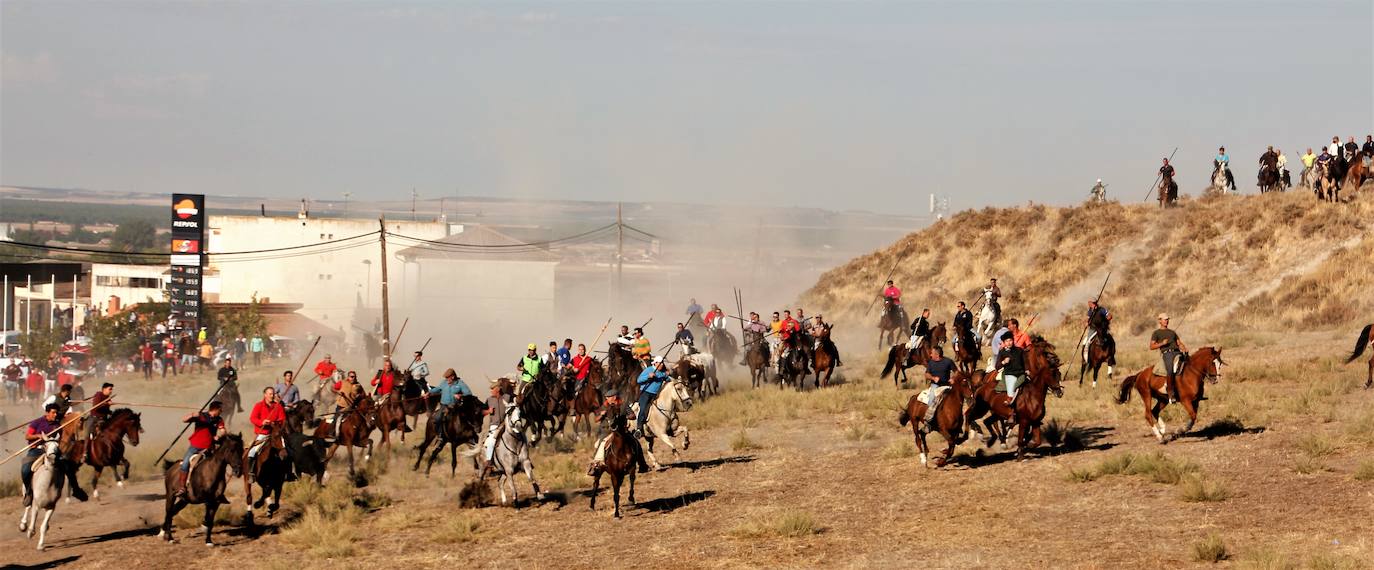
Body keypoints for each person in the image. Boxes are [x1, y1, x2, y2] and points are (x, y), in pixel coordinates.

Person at [173, 401, 226, 499]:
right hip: (195, 447)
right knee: (185, 464)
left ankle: (219, 491)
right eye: (220, 409)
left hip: (210, 448)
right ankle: (182, 488)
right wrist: (192, 414)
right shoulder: (201, 416)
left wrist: (219, 436)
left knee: (219, 465)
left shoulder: (219, 419)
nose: (222, 411)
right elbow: (184, 420)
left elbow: (223, 430)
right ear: (216, 409)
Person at [21, 404, 64, 497]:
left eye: (56, 413)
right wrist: (38, 436)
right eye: (53, 412)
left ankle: (59, 489)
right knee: (25, 470)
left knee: (65, 466)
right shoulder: (37, 422)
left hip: (52, 450)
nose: (55, 415)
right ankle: (28, 492)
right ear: (47, 413)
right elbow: (27, 436)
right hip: (37, 449)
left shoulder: (57, 425)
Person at [1149, 313, 1188, 403]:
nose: (1166, 321)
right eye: (1164, 319)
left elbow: (1179, 343)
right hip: (1167, 354)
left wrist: (1183, 347)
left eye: (1167, 319)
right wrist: (1162, 343)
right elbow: (1151, 346)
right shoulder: (1156, 333)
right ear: (1160, 321)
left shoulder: (1172, 332)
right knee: (1170, 370)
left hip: (1177, 352)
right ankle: (1170, 393)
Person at [246, 386, 285, 472]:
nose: (272, 395)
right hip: (262, 434)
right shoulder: (258, 405)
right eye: (270, 394)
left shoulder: (278, 406)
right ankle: (251, 472)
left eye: (273, 394)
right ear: (265, 395)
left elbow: (282, 419)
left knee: (286, 450)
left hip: (275, 435)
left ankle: (289, 473)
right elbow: (253, 418)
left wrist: (274, 423)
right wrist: (262, 422)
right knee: (252, 452)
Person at [481, 378, 515, 476]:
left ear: (498, 390)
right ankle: (489, 462)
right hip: (494, 426)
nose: (491, 391)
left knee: (519, 436)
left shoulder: (507, 397)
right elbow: (481, 412)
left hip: (506, 424)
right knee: (491, 442)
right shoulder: (489, 400)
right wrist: (488, 412)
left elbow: (517, 401)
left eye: (492, 389)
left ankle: (523, 459)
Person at [633, 356, 670, 438]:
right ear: (655, 363)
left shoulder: (662, 372)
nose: (662, 365)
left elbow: (668, 379)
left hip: (656, 395)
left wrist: (669, 376)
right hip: (646, 393)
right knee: (643, 409)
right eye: (660, 363)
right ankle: (639, 429)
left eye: (662, 363)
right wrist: (648, 377)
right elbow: (639, 380)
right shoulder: (649, 370)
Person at [921, 346, 957, 426]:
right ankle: (928, 422)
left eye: (932, 353)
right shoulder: (931, 363)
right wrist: (933, 378)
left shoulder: (948, 361)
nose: (930, 355)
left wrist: (953, 378)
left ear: (937, 355)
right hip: (935, 386)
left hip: (947, 385)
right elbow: (926, 374)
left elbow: (956, 372)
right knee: (931, 399)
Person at [330, 370, 364, 438]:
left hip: (352, 407)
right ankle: (332, 432)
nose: (353, 378)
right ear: (348, 377)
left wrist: (359, 396)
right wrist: (338, 392)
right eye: (351, 377)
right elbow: (332, 388)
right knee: (337, 418)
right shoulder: (342, 382)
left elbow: (363, 395)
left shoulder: (358, 385)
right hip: (341, 405)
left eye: (354, 377)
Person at [996, 335, 1027, 408]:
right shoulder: (1002, 352)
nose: (1009, 343)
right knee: (1011, 387)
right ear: (1004, 343)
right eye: (1007, 341)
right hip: (1010, 374)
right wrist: (1003, 362)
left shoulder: (1019, 350)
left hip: (1021, 373)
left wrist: (1027, 369)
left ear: (1013, 341)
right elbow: (997, 366)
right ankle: (1010, 402)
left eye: (1010, 340)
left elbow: (1025, 361)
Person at [1083, 299, 1116, 366]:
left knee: (1110, 340)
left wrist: (1105, 320)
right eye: (1088, 303)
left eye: (1089, 303)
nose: (1088, 304)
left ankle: (1111, 356)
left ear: (1093, 303)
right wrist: (1086, 323)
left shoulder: (1102, 310)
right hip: (1093, 329)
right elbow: (1087, 319)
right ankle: (1086, 358)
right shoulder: (1090, 311)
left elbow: (1109, 316)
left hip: (1102, 328)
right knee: (1087, 342)